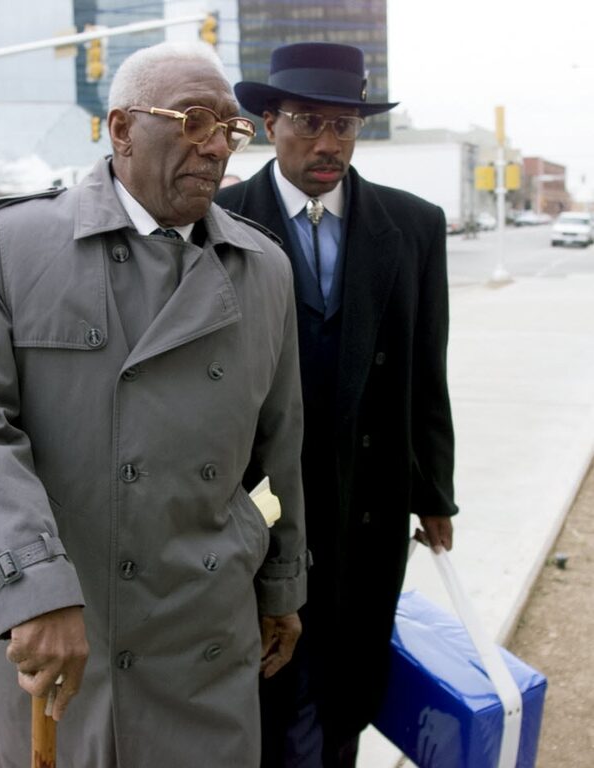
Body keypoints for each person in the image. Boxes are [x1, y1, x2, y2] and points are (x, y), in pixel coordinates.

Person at [0, 41, 309, 768]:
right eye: (195, 120)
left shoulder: (264, 269)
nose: (219, 146)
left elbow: (276, 450)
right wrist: (32, 588)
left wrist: (283, 584)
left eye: (231, 127)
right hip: (60, 638)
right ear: (122, 130)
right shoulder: (14, 245)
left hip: (203, 641)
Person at [216, 42, 458, 767]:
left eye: (344, 126)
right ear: (267, 121)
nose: (328, 144)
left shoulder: (412, 226)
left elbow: (425, 369)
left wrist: (433, 491)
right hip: (262, 494)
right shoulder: (218, 221)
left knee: (346, 681)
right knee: (266, 679)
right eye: (309, 122)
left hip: (368, 496)